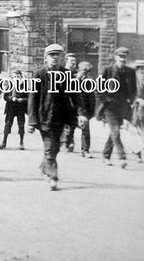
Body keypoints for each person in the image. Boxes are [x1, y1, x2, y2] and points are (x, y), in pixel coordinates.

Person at [28, 44, 86, 190]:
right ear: (46, 57)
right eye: (51, 55)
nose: (54, 58)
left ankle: (44, 167)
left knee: (56, 148)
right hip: (44, 117)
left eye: (57, 55)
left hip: (62, 117)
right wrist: (31, 121)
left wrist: (80, 114)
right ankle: (52, 177)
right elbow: (33, 98)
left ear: (61, 57)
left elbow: (76, 96)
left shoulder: (66, 74)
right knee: (49, 148)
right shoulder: (39, 73)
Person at [96, 47, 136, 168]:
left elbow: (133, 89)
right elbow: (99, 89)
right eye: (120, 57)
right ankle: (122, 157)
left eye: (124, 57)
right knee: (116, 132)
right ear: (115, 57)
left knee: (115, 132)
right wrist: (106, 100)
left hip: (122, 106)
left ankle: (105, 154)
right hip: (109, 107)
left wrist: (131, 100)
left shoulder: (130, 71)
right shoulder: (108, 70)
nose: (122, 59)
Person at [0, 69, 28, 150]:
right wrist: (11, 98)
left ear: (21, 77)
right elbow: (5, 97)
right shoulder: (10, 85)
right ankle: (4, 142)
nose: (16, 78)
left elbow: (29, 98)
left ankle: (21, 143)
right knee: (8, 124)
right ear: (12, 78)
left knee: (21, 125)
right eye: (14, 77)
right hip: (11, 107)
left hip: (20, 108)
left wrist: (23, 100)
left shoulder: (25, 86)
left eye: (18, 76)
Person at [131, 60, 144, 162]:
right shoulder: (133, 80)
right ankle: (137, 153)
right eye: (141, 69)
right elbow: (130, 94)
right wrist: (138, 100)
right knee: (136, 132)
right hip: (135, 109)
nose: (143, 71)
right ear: (137, 70)